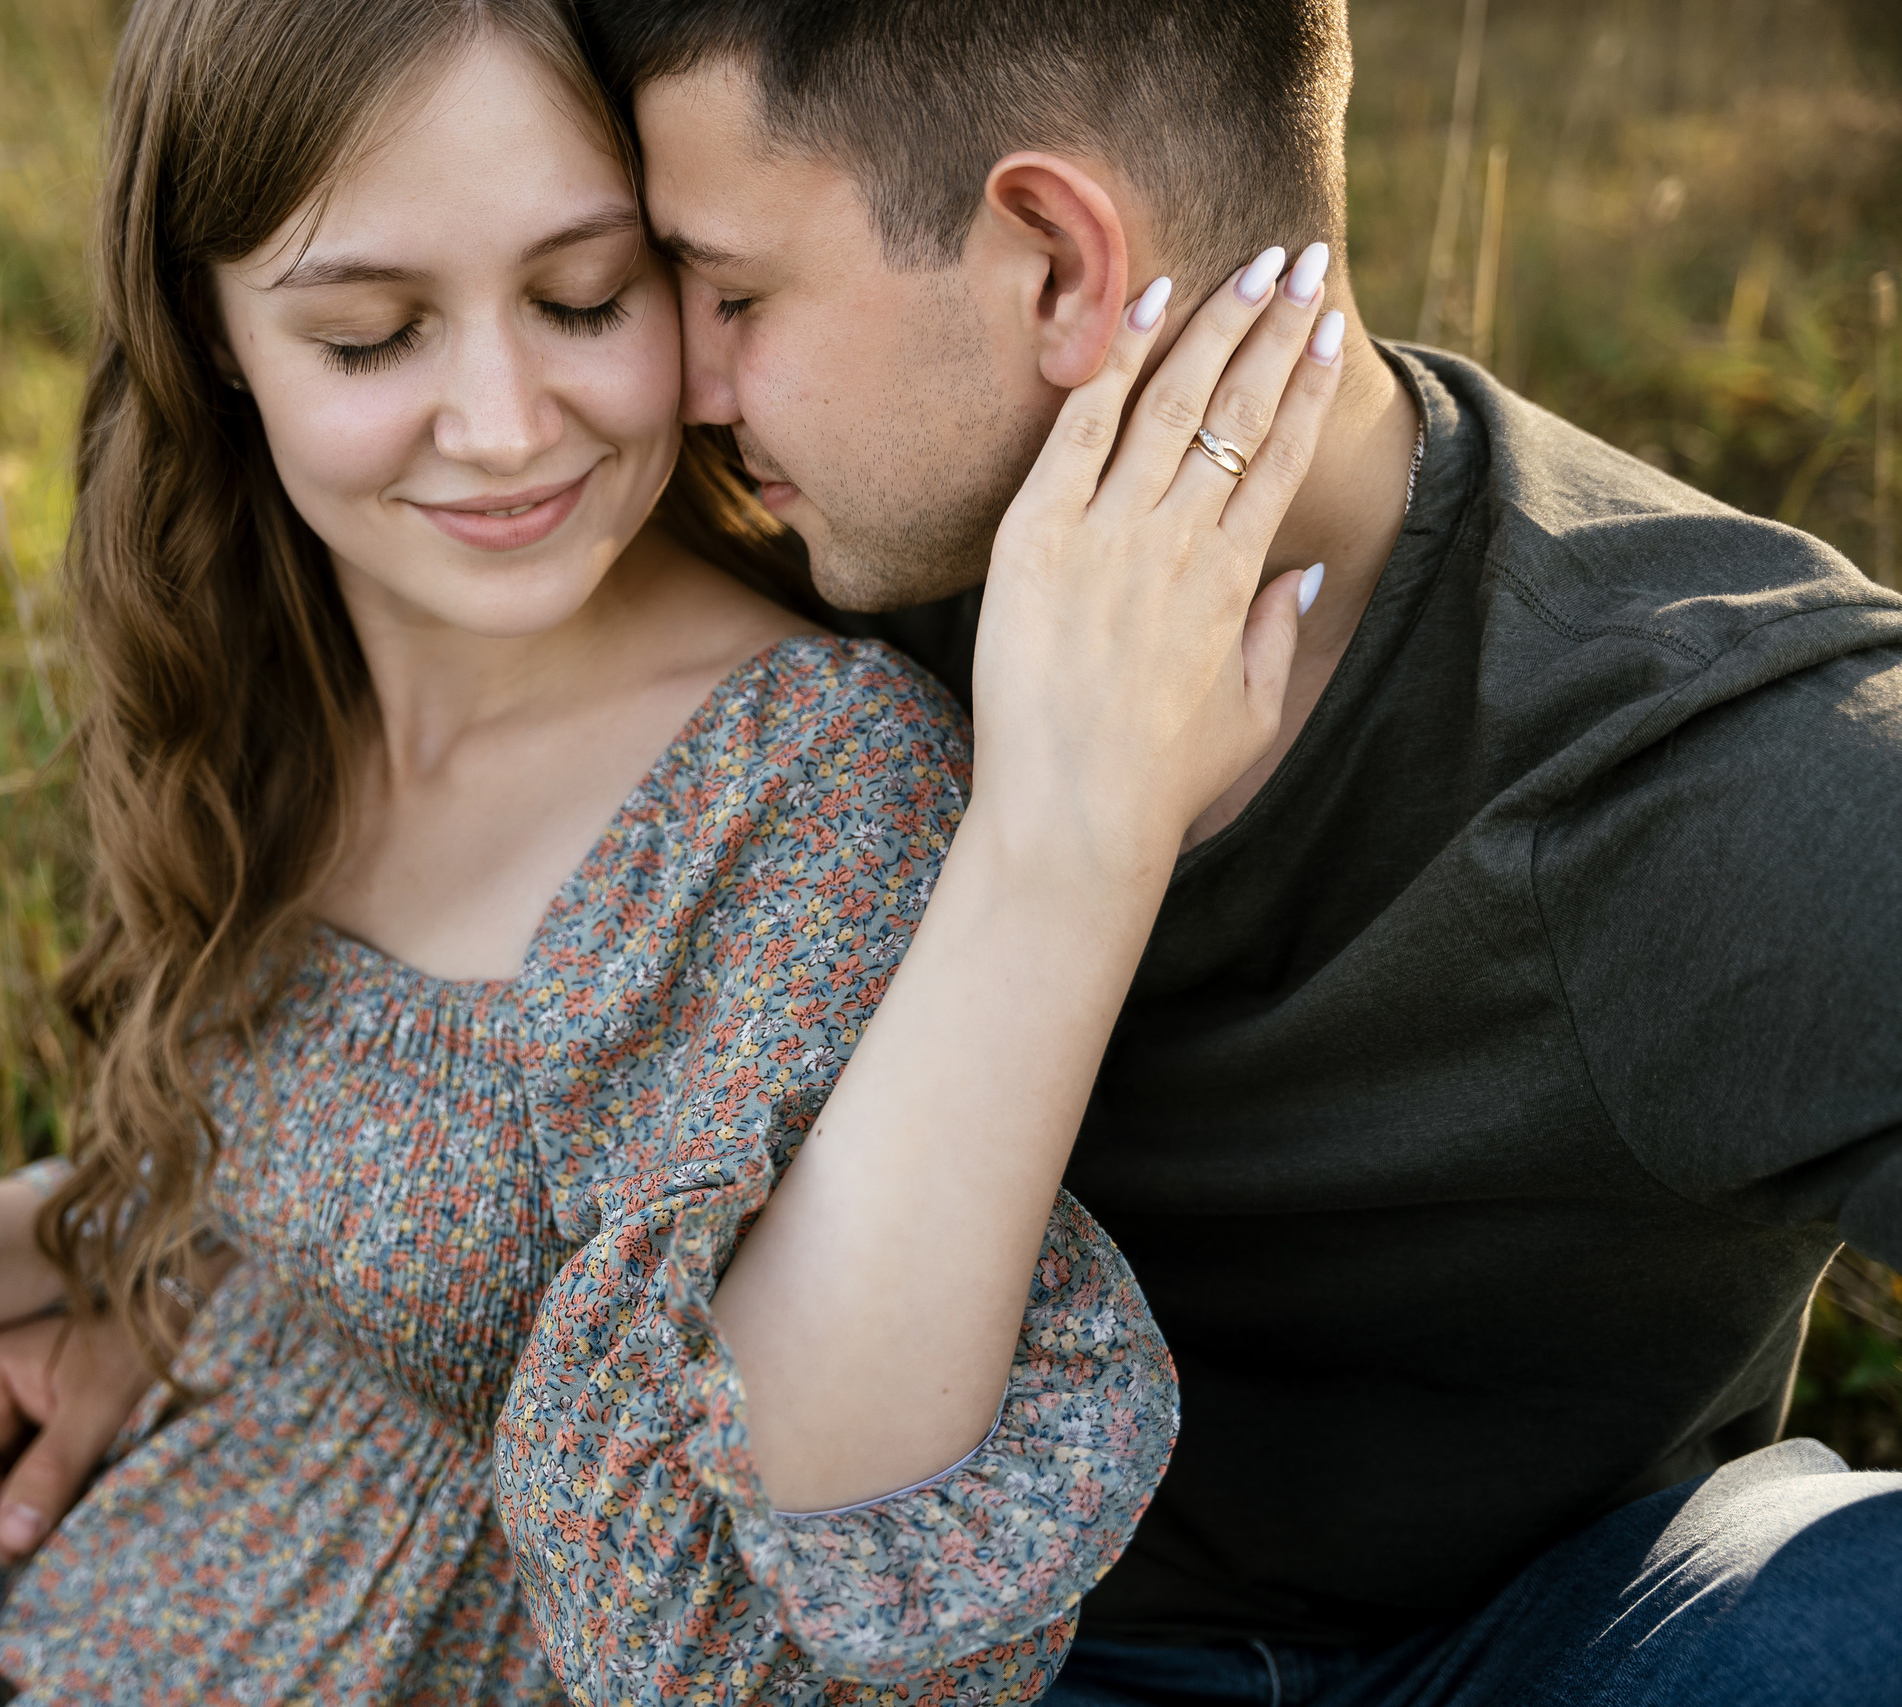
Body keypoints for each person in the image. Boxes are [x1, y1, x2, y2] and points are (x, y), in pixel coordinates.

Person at [0, 0, 1351, 1701]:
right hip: (50, 1518)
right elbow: (374, 1176)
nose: (497, 424)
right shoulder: (283, 653)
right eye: (369, 335)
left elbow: (743, 1625)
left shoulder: (803, 799)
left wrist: (1061, 841)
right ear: (215, 334)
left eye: (585, 296)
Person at [575, 1, 1902, 1703]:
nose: (684, 384)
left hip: (1562, 1650)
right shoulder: (774, 617)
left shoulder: (1685, 748)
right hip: (989, 1661)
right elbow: (720, 1555)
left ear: (1055, 265)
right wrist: (1059, 827)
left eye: (737, 295)